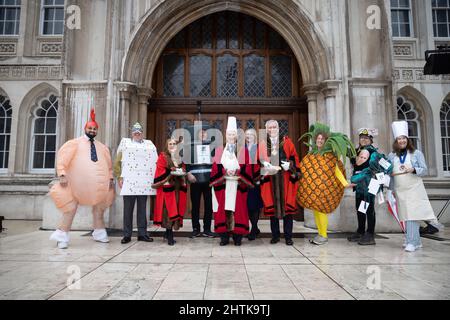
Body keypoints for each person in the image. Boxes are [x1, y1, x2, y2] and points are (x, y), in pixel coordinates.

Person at [49, 109, 115, 249]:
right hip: (75, 185)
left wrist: (110, 179)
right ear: (85, 128)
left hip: (98, 187)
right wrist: (62, 174)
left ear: (97, 130)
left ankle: (99, 233)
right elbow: (63, 160)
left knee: (99, 209)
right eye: (90, 128)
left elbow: (109, 166)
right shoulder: (74, 143)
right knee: (70, 209)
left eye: (95, 128)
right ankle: (62, 235)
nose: (92, 130)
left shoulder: (102, 147)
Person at [297, 123, 355, 246]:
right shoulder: (311, 155)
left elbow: (337, 171)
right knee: (316, 212)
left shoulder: (330, 156)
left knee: (321, 211)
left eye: (322, 139)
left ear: (326, 141)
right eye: (318, 139)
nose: (319, 141)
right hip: (313, 191)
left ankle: (323, 235)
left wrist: (345, 183)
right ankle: (320, 233)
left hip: (324, 190)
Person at [388, 121, 436, 253]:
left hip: (414, 188)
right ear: (396, 141)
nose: (401, 141)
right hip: (400, 189)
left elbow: (425, 170)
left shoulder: (416, 153)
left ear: (407, 140)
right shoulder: (391, 156)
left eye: (404, 138)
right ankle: (416, 241)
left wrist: (414, 169)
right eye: (399, 138)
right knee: (405, 214)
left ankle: (411, 242)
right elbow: (388, 172)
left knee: (412, 215)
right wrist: (390, 189)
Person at [210, 117, 253, 246]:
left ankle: (237, 236)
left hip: (237, 185)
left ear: (236, 136)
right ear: (225, 135)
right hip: (223, 186)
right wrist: (224, 173)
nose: (231, 136)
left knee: (239, 210)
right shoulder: (218, 151)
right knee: (222, 211)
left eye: (233, 134)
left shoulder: (243, 150)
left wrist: (237, 173)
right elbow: (215, 167)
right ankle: (223, 236)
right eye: (229, 134)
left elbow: (247, 167)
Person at [114, 123, 158, 244]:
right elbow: (118, 162)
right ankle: (127, 234)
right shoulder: (126, 144)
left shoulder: (149, 145)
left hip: (143, 182)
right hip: (129, 181)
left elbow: (154, 161)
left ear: (142, 133)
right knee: (128, 209)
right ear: (132, 133)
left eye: (139, 132)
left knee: (142, 209)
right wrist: (119, 177)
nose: (137, 133)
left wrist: (153, 178)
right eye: (135, 132)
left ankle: (142, 233)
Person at [259, 120, 300, 246]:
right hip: (270, 180)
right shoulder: (262, 144)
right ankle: (275, 235)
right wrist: (264, 165)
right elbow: (258, 161)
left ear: (278, 128)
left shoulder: (287, 141)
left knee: (288, 211)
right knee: (273, 210)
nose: (272, 129)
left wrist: (291, 166)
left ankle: (288, 237)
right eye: (270, 127)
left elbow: (294, 157)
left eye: (274, 127)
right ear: (266, 130)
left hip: (285, 179)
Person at [348, 128, 388, 245]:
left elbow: (387, 166)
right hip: (359, 184)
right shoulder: (357, 151)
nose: (363, 140)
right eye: (361, 138)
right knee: (360, 208)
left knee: (369, 209)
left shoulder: (374, 153)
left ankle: (370, 234)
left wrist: (378, 175)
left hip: (370, 185)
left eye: (366, 138)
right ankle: (360, 231)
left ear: (371, 140)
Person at [152, 139, 187, 246]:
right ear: (166, 146)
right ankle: (169, 234)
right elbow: (160, 170)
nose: (172, 145)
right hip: (167, 186)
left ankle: (167, 233)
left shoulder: (179, 157)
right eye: (170, 144)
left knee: (175, 208)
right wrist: (170, 172)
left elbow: (183, 168)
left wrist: (183, 171)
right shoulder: (163, 156)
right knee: (168, 210)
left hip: (177, 187)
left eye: (174, 144)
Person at [185, 124, 217, 238]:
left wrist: (214, 176)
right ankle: (195, 229)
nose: (202, 134)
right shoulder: (190, 146)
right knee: (195, 206)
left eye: (204, 132)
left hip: (208, 180)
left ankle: (207, 229)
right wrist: (188, 173)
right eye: (200, 132)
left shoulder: (212, 146)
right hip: (195, 180)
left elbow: (216, 163)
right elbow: (186, 162)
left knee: (209, 205)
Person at [239, 129, 263, 241]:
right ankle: (254, 228)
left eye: (251, 135)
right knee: (247, 206)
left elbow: (264, 163)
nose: (249, 136)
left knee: (254, 206)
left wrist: (259, 177)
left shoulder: (259, 148)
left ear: (255, 136)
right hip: (244, 182)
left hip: (255, 181)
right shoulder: (242, 148)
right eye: (247, 135)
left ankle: (254, 229)